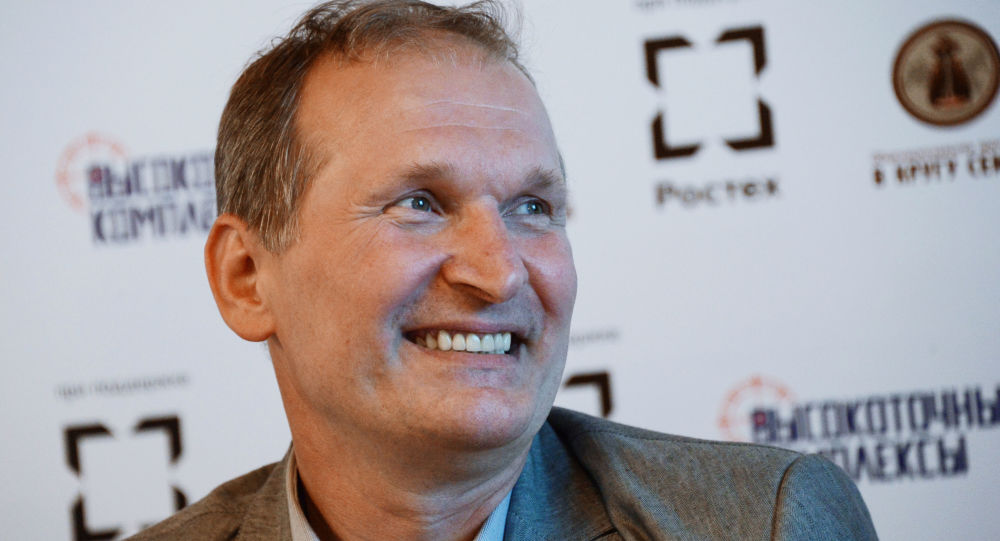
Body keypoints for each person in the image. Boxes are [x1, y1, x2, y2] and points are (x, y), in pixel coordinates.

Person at [130, 1, 878, 539]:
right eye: (419, 203)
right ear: (246, 277)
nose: (501, 274)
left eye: (532, 207)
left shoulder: (763, 523)